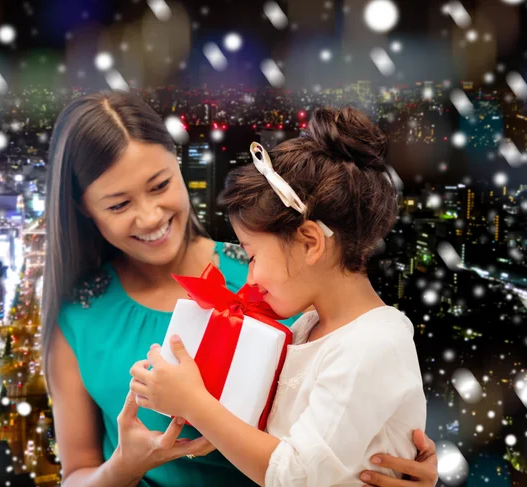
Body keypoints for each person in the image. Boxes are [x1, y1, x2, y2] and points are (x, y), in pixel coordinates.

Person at [41, 92, 438, 487]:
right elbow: (76, 472)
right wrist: (125, 465)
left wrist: (399, 455)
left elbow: (344, 416)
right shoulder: (79, 314)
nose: (149, 216)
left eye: (160, 185)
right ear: (83, 208)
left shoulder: (283, 285)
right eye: (118, 204)